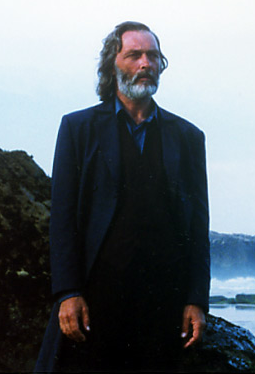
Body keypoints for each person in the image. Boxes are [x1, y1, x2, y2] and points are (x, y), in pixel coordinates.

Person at [35, 21, 210, 372]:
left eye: (153, 56)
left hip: (162, 304)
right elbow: (63, 219)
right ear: (112, 64)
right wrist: (67, 293)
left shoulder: (188, 137)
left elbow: (197, 227)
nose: (145, 63)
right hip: (96, 299)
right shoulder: (78, 128)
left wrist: (196, 301)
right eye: (134, 55)